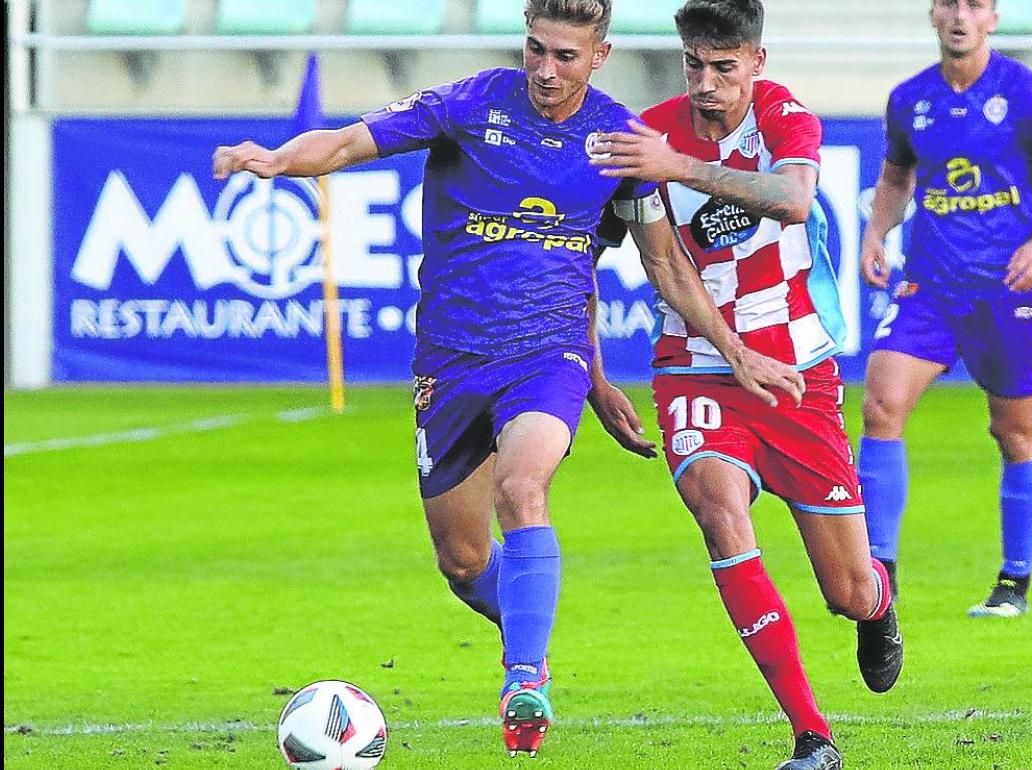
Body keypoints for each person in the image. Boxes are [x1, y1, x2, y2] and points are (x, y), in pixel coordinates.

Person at [212, 0, 800, 758]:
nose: (546, 71)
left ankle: (523, 680)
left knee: (523, 488)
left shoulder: (621, 141)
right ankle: (530, 620)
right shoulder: (469, 103)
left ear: (601, 56)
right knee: (462, 563)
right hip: (450, 361)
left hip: (545, 355)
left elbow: (665, 267)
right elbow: (351, 141)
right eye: (536, 50)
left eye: (565, 56)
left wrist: (732, 350)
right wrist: (279, 159)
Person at [593, 2, 901, 767]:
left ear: (755, 62)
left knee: (847, 592)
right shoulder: (648, 129)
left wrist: (680, 169)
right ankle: (811, 735)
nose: (706, 82)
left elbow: (793, 197)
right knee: (719, 512)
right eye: (693, 64)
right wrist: (591, 371)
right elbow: (587, 254)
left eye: (724, 67)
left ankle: (879, 604)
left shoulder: (784, 115)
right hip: (694, 363)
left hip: (797, 373)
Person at [858, 0, 1032, 618]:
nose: (961, 15)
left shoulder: (1026, 92)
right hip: (929, 287)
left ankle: (1013, 583)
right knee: (880, 406)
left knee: (1014, 433)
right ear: (933, 15)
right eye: (950, 4)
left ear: (992, 17)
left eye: (976, 4)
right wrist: (876, 233)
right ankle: (879, 572)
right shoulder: (909, 98)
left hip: (1006, 291)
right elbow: (895, 177)